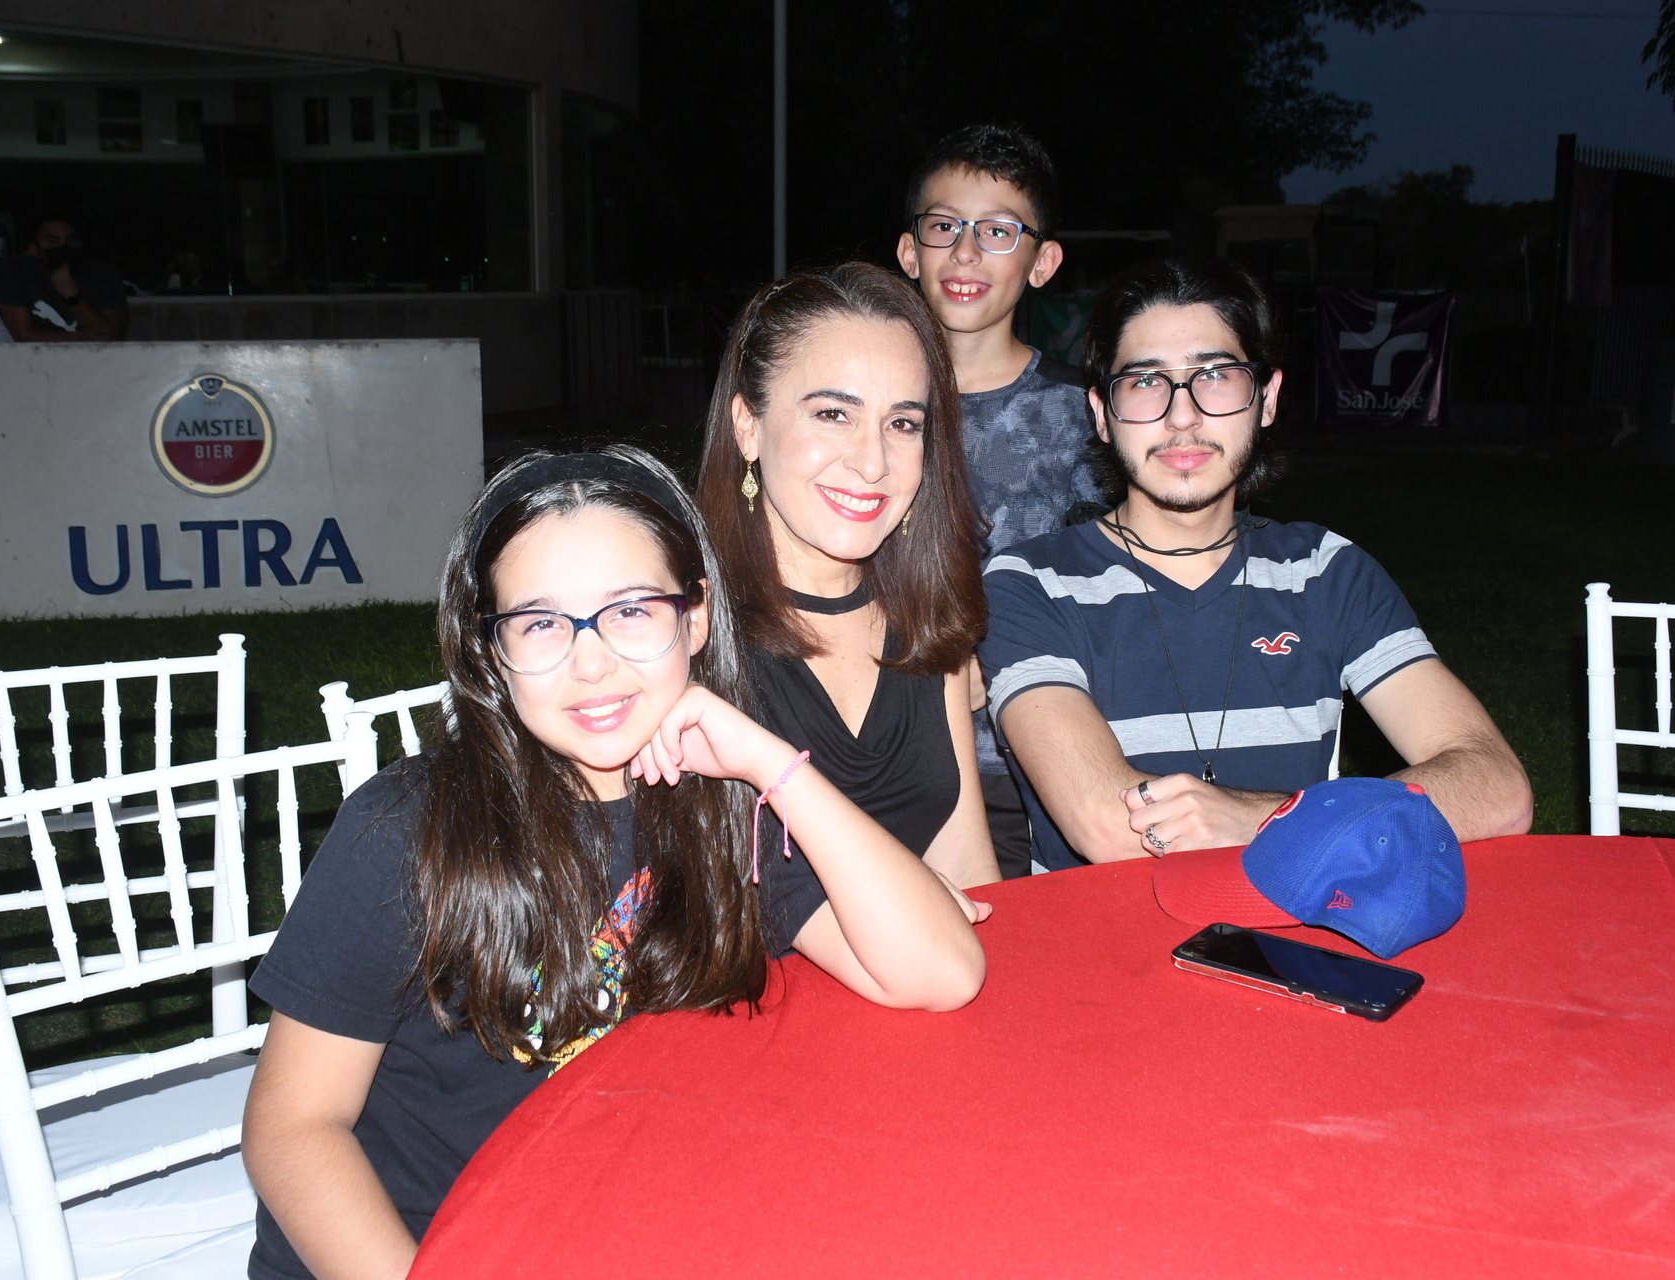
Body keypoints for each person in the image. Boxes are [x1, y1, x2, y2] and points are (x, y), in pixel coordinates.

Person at [242, 447, 988, 1280]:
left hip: (626, 1231)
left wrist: (769, 762)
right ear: (490, 650)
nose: (590, 662)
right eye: (540, 623)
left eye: (631, 610)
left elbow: (942, 973)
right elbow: (293, 1128)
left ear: (695, 618)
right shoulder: (405, 830)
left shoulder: (723, 806)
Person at [980, 257, 1533, 872]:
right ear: (1102, 413)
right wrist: (1330, 821)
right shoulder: (1030, 584)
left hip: (1295, 922)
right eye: (1145, 381)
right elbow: (1111, 828)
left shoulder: (1326, 572)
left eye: (1215, 375)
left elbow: (1497, 787)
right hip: (1107, 927)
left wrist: (1259, 818)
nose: (1182, 415)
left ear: (1266, 399)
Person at [695, 263, 1001, 894]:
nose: (872, 462)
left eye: (902, 423)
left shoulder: (927, 617)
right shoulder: (685, 632)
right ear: (747, 425)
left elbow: (969, 868)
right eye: (833, 414)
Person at [895, 124, 1102, 879]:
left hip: (1030, 771)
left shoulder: (1089, 416)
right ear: (910, 251)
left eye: (998, 231)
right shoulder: (859, 409)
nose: (966, 252)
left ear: (1042, 262)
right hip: (888, 761)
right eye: (944, 226)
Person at [0, 217, 128, 342]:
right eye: (52, 242)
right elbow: (23, 335)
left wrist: (72, 295)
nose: (63, 247)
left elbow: (108, 336)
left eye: (70, 241)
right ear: (34, 249)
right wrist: (82, 337)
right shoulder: (15, 270)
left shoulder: (102, 274)